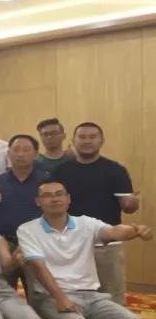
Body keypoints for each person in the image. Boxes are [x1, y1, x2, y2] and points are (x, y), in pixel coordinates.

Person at [18, 177, 150, 319]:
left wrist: (135, 229)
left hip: (92, 295)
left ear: (68, 199)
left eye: (59, 194)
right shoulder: (28, 229)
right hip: (50, 297)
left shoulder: (85, 223)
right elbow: (38, 267)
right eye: (47, 195)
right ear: (38, 202)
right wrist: (61, 298)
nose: (55, 199)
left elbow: (113, 232)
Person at [54, 122, 140, 305]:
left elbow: (128, 206)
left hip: (107, 245)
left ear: (102, 141)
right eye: (82, 137)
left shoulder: (116, 170)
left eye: (92, 137)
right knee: (73, 299)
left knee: (113, 298)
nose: (87, 141)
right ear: (73, 140)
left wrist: (131, 203)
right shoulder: (61, 171)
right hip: (71, 245)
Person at [0, 134, 44, 246]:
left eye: (26, 150)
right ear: (8, 153)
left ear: (36, 154)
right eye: (16, 150)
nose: (20, 154)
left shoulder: (46, 182)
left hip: (37, 241)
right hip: (2, 242)